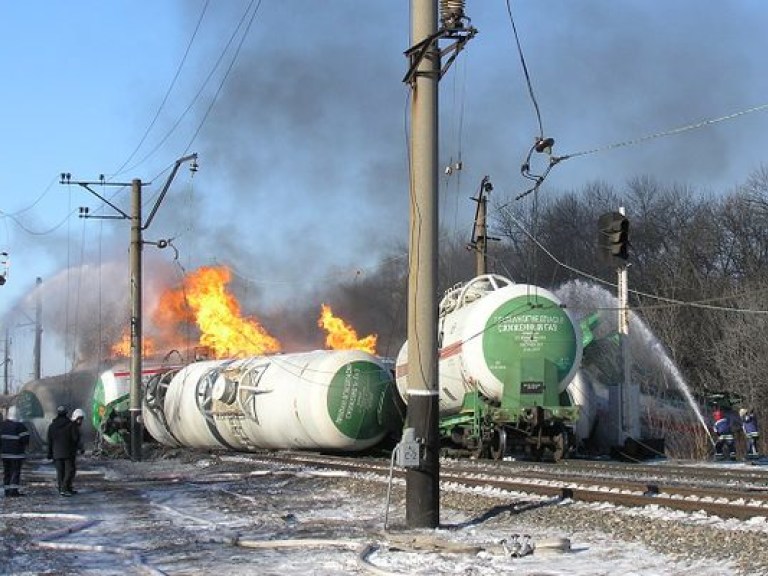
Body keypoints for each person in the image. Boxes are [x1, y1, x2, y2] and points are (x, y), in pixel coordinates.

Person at [47, 406, 81, 496]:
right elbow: (75, 438)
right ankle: (65, 488)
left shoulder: (52, 426)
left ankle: (62, 489)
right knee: (69, 471)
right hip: (69, 452)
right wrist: (79, 448)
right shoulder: (71, 424)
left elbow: (50, 440)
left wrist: (49, 453)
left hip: (56, 452)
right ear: (66, 413)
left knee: (60, 472)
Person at [0, 412, 30, 497]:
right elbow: (25, 439)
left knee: (7, 472)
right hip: (17, 454)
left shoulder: (3, 426)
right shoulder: (20, 426)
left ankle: (7, 490)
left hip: (5, 454)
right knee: (15, 472)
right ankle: (13, 491)